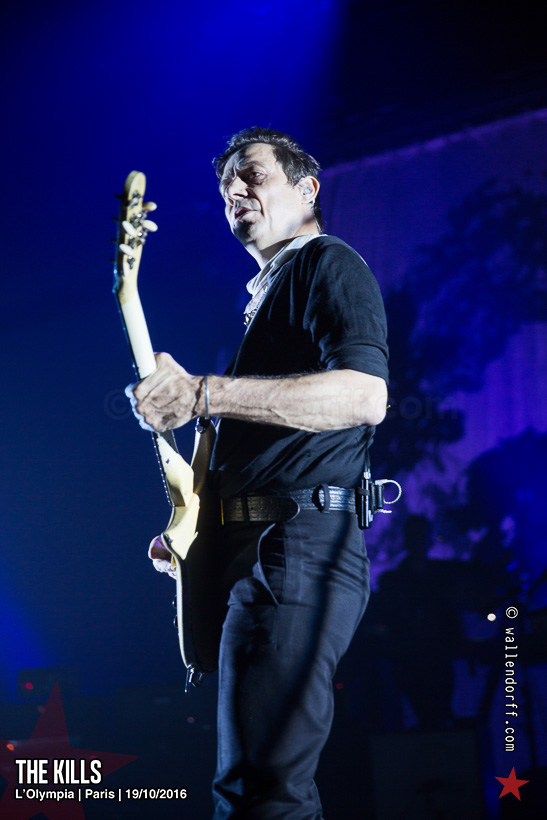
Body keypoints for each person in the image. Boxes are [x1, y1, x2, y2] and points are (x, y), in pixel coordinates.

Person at [127, 128, 389, 819]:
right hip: (259, 549)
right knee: (254, 789)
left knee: (261, 792)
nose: (234, 191)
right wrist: (197, 535)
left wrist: (204, 393)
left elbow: (364, 396)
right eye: (224, 186)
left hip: (298, 547)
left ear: (307, 190)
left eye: (252, 175)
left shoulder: (327, 263)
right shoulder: (266, 297)